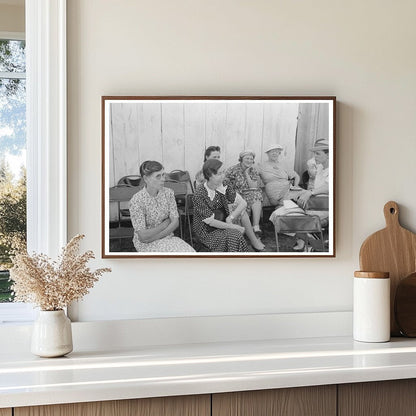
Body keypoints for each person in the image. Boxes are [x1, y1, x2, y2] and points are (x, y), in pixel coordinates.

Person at [193, 159, 265, 252]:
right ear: (209, 176)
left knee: (235, 235)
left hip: (223, 223)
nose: (223, 176)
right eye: (219, 174)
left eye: (224, 172)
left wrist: (230, 218)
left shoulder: (224, 184)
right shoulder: (200, 193)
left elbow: (243, 203)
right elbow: (211, 222)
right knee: (234, 235)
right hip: (206, 231)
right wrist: (234, 226)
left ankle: (235, 262)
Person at [129, 160, 195, 253]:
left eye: (163, 175)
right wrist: (164, 224)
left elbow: (175, 222)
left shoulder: (168, 193)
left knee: (190, 253)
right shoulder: (137, 201)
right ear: (146, 179)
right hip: (146, 245)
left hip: (167, 238)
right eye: (158, 176)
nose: (163, 179)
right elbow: (143, 236)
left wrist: (156, 236)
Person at [293, 139, 330, 251]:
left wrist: (310, 192)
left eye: (318, 154)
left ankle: (310, 243)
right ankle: (308, 242)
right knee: (291, 209)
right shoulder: (319, 167)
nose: (315, 157)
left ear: (328, 155)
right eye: (314, 154)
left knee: (299, 216)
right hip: (317, 202)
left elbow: (329, 187)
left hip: (328, 206)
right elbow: (315, 186)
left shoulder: (333, 167)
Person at [224, 150, 263, 234]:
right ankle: (246, 228)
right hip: (235, 195)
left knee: (256, 194)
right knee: (254, 195)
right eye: (247, 158)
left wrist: (246, 173)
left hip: (248, 194)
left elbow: (253, 187)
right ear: (241, 159)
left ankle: (256, 226)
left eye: (251, 159)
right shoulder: (232, 169)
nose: (249, 160)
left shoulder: (253, 170)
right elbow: (224, 184)